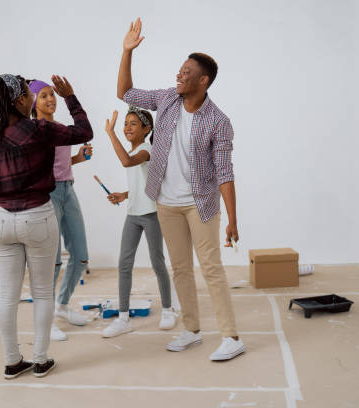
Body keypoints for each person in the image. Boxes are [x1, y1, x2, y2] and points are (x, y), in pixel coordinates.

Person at [116, 18, 246, 361]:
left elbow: (225, 172)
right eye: (180, 70)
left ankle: (232, 337)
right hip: (166, 202)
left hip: (200, 205)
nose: (179, 75)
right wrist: (127, 51)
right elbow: (125, 93)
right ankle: (191, 329)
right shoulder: (168, 100)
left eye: (187, 72)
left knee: (212, 268)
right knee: (180, 268)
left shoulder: (218, 121)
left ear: (203, 81)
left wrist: (232, 219)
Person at [0, 74, 93, 378]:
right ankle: (40, 359)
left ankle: (12, 362)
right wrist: (70, 97)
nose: (31, 99)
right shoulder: (39, 130)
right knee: (41, 292)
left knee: (8, 296)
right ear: (20, 100)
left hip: (2, 222)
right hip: (38, 216)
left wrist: (6, 195)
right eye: (28, 94)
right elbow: (84, 131)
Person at [102, 106, 177, 338]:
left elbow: (126, 162)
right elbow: (142, 182)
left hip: (152, 215)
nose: (127, 127)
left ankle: (168, 309)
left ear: (147, 129)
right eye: (126, 124)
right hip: (133, 214)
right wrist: (124, 195)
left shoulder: (146, 150)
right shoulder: (136, 153)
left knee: (157, 262)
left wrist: (110, 132)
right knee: (124, 264)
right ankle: (123, 318)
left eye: (133, 123)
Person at [28, 79, 93, 342]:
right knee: (52, 262)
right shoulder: (34, 130)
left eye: (52, 95)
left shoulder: (62, 129)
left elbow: (63, 162)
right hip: (49, 195)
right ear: (32, 103)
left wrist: (80, 157)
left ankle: (63, 306)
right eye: (43, 96)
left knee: (80, 256)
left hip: (69, 191)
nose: (50, 99)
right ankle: (47, 319)